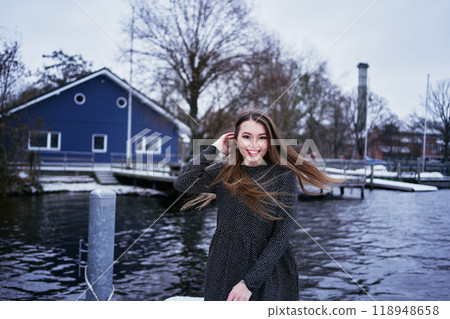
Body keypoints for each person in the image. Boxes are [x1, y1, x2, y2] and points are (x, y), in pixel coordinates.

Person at [173, 109, 341, 301]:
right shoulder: (225, 171)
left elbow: (281, 236)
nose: (254, 144)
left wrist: (248, 283)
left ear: (270, 141)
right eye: (246, 136)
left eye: (261, 137)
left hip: (266, 270)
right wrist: (215, 148)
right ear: (235, 139)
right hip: (223, 265)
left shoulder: (283, 176)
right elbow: (182, 182)